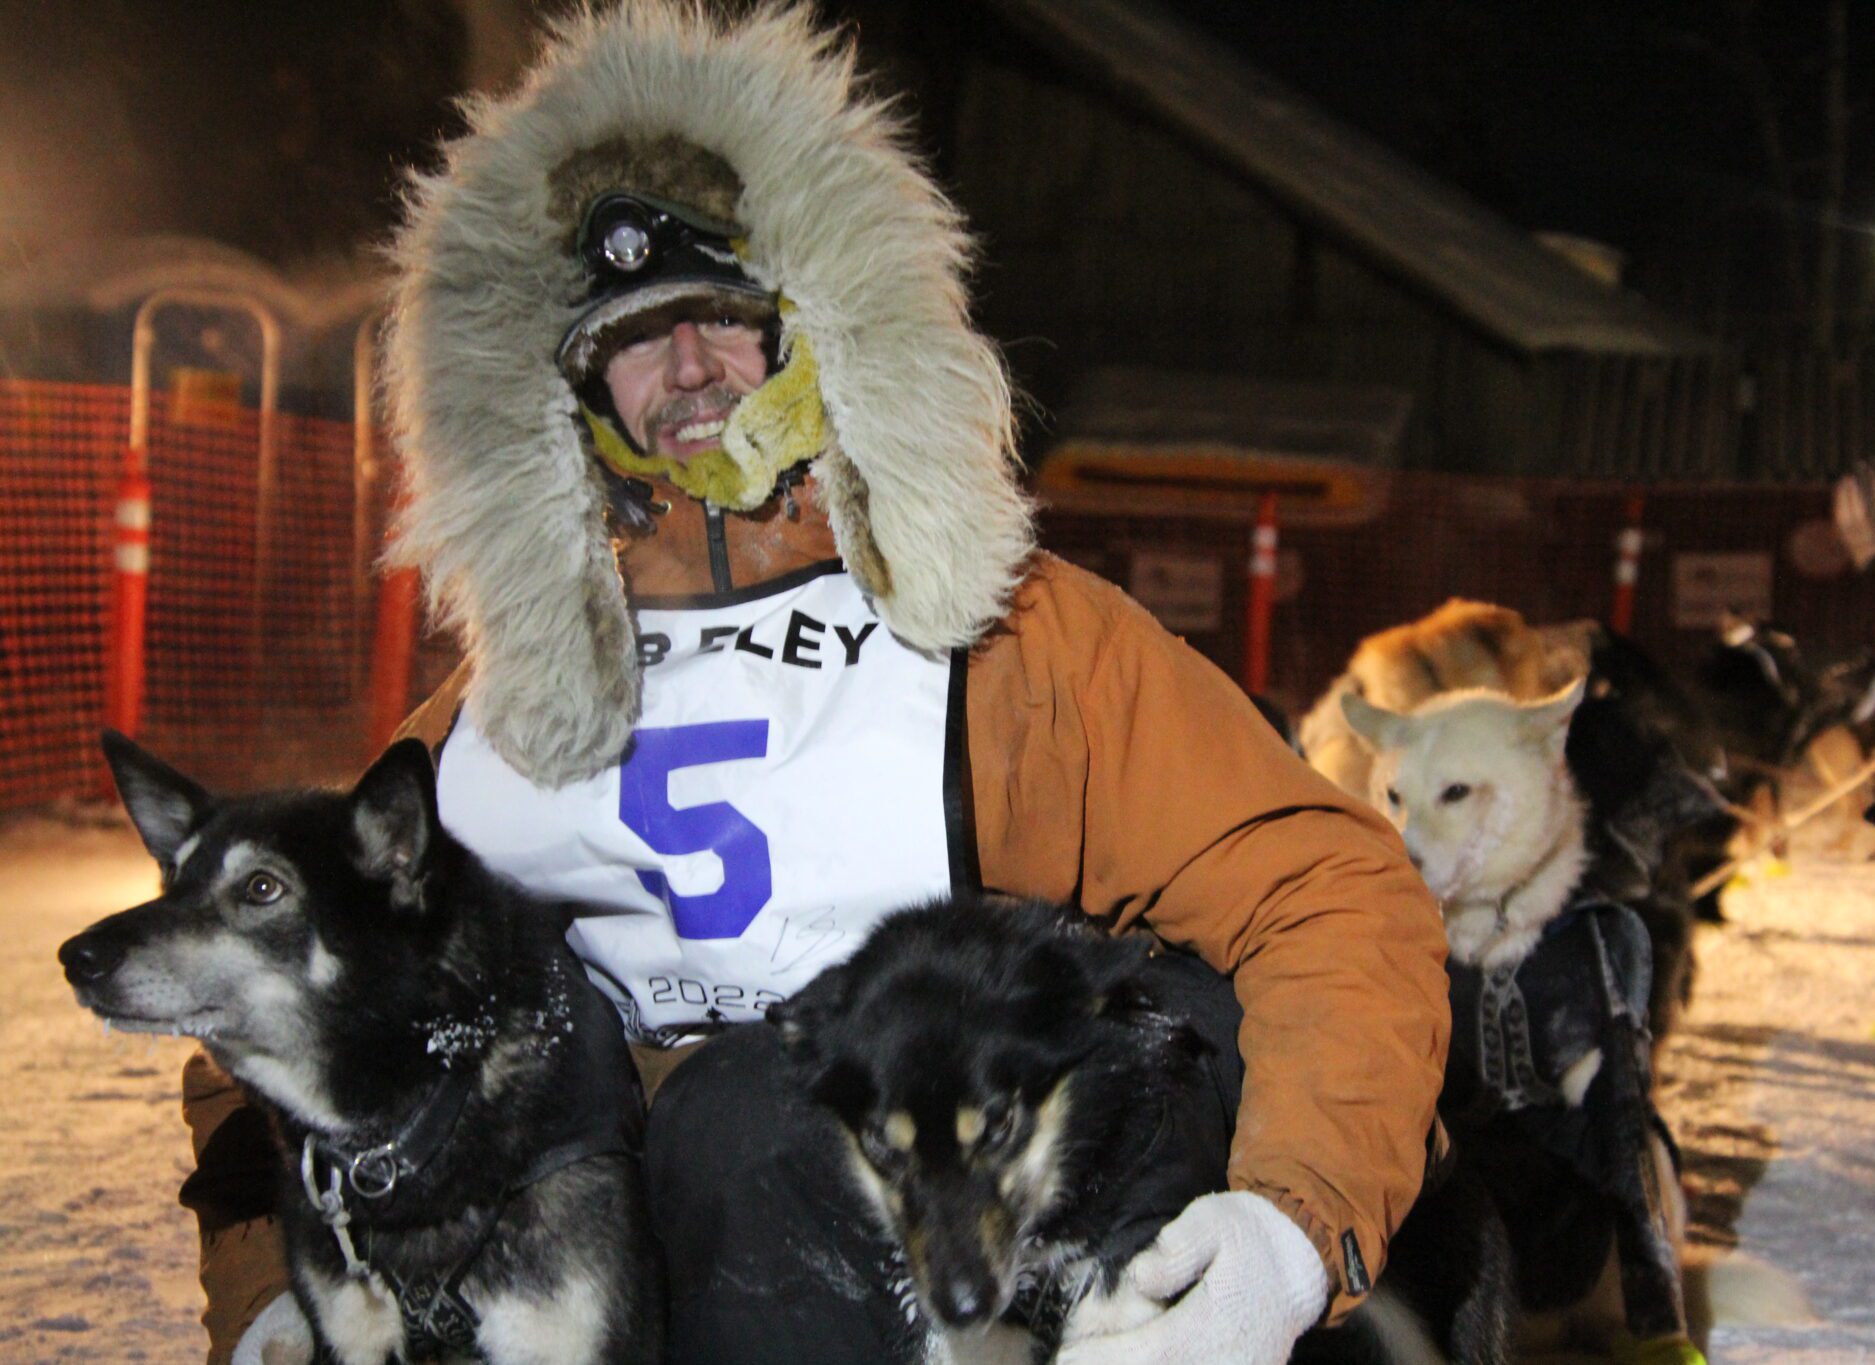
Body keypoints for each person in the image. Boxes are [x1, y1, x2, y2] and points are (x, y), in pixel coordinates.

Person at [185, 5, 1449, 1362]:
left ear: (818, 327)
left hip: (966, 1232)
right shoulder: (493, 720)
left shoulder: (1006, 645)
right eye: (632, 336)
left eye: (723, 318)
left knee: (757, 1118)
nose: (686, 373)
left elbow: (1327, 886)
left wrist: (1284, 1228)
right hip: (651, 1269)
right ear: (566, 390)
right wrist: (277, 1282)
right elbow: (267, 997)